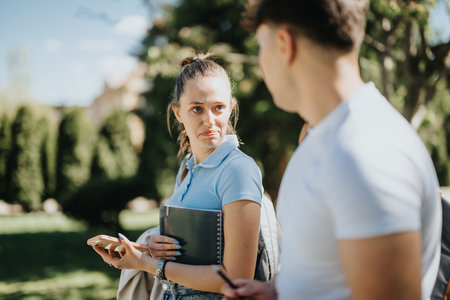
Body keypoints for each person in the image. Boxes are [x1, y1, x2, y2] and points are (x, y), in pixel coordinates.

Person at [221, 1, 442, 299]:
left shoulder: (363, 153)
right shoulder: (325, 138)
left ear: (285, 44)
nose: (261, 62)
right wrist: (277, 292)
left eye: (261, 45)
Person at [93, 53, 264, 299]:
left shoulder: (238, 170)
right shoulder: (186, 168)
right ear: (178, 113)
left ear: (231, 107)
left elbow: (237, 278)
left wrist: (147, 264)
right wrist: (152, 248)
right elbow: (196, 253)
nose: (210, 120)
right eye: (197, 109)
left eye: (218, 107)